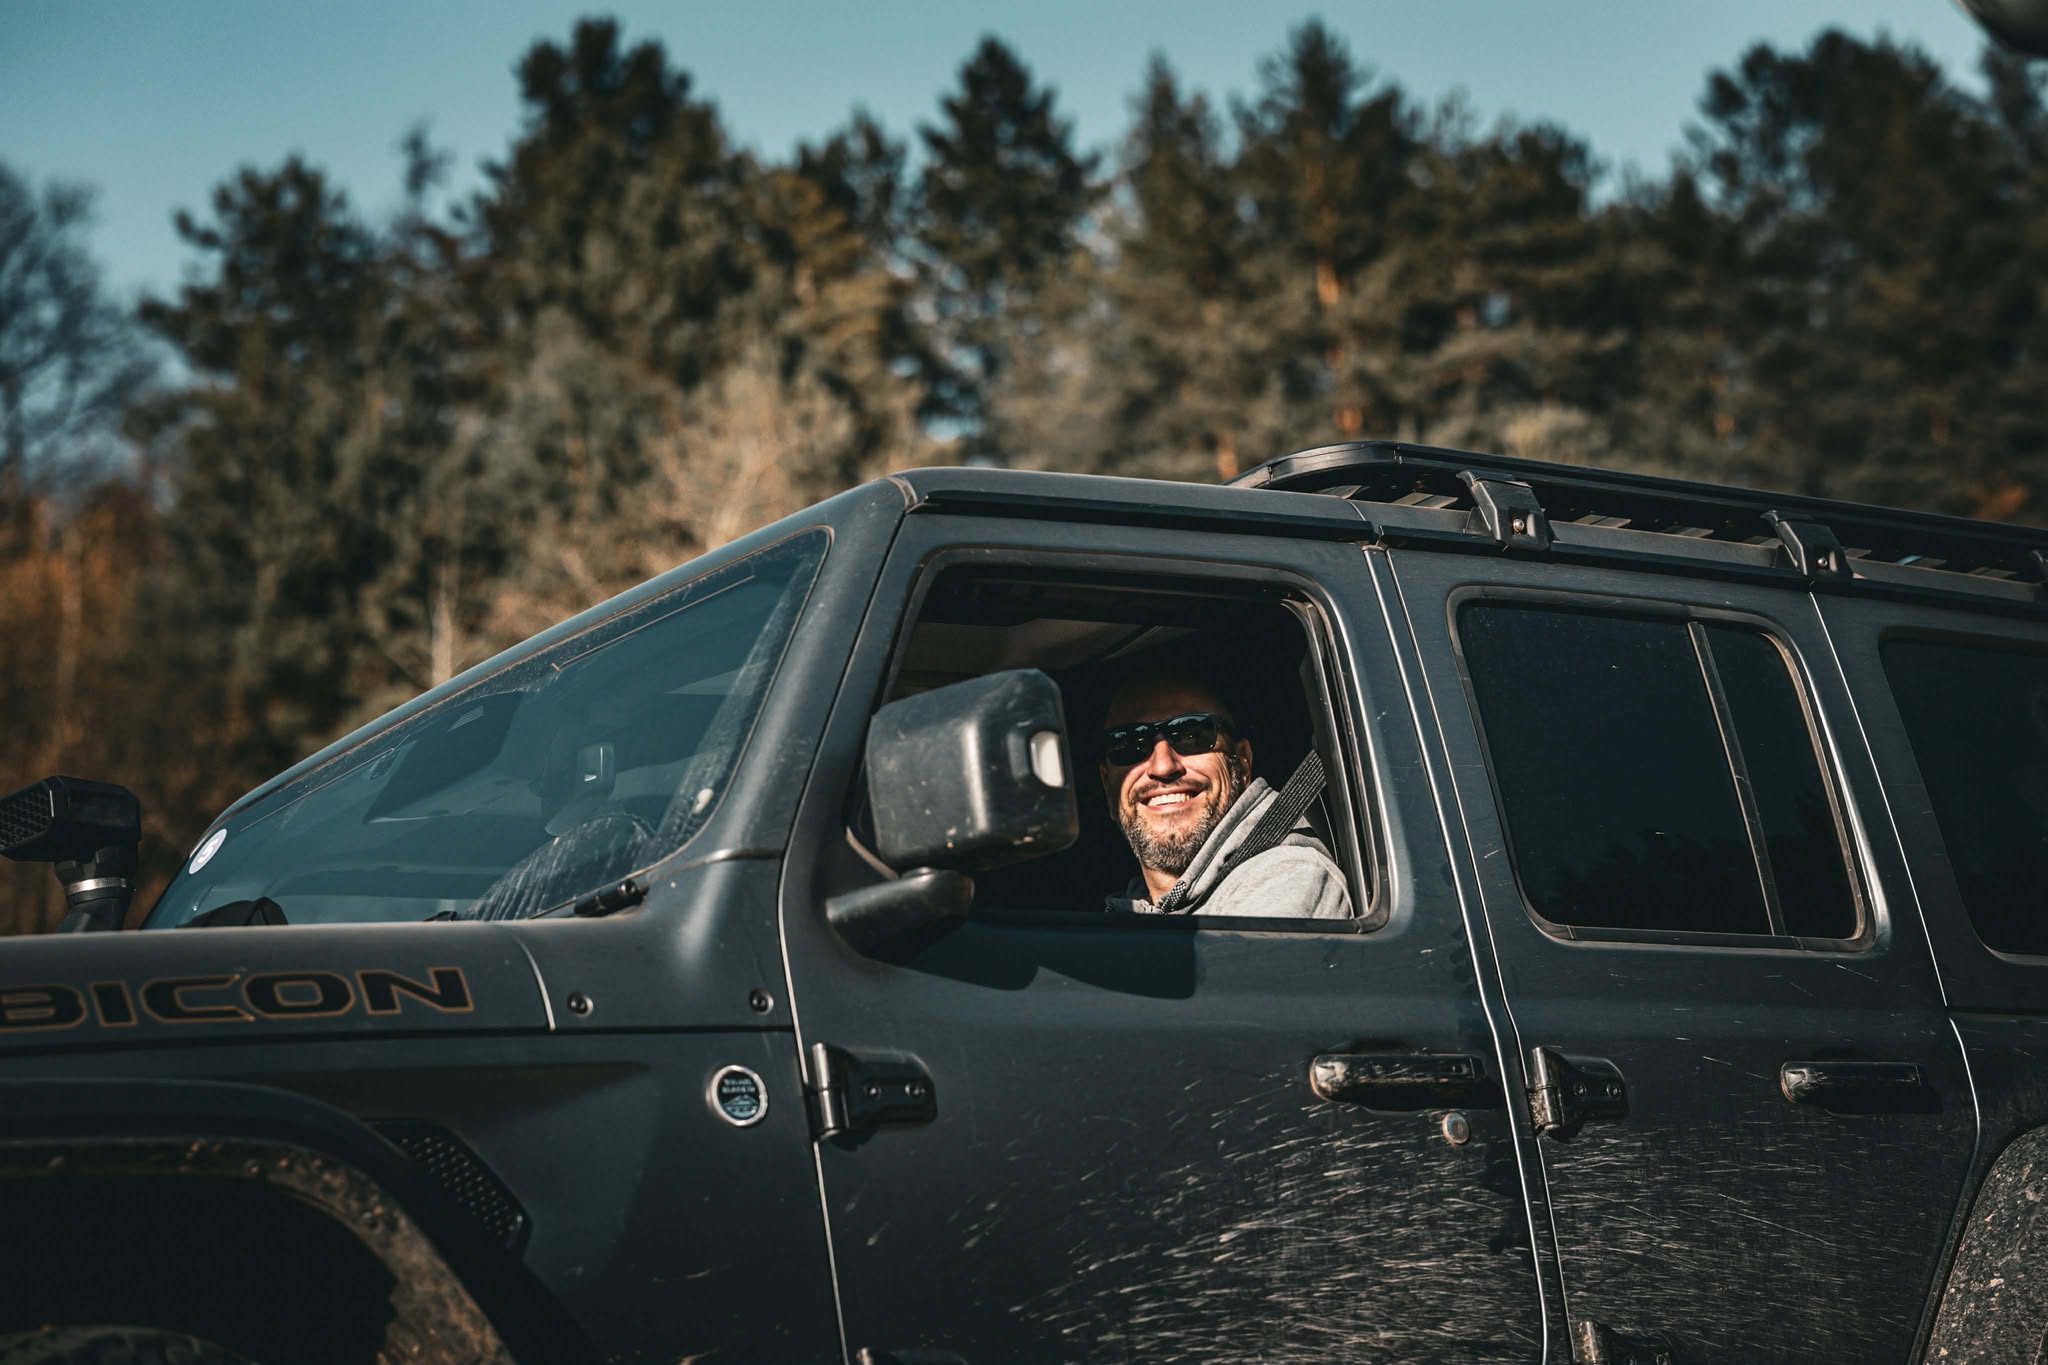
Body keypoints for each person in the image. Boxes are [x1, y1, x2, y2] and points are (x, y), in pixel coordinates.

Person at [1098, 662, 1351, 919]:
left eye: (1192, 735)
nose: (1163, 766)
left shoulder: (1287, 879)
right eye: (1128, 743)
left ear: (1242, 763)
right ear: (1108, 786)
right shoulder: (1122, 911)